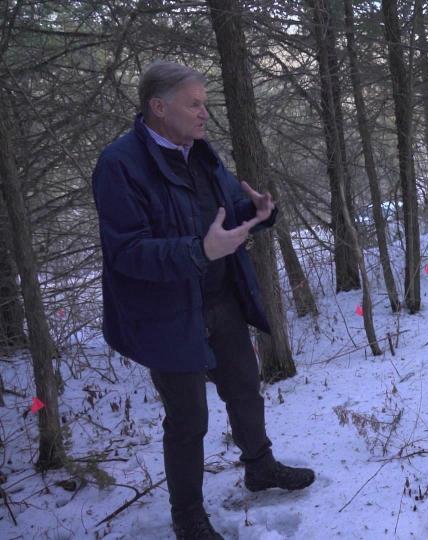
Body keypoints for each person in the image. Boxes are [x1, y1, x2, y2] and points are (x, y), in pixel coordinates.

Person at [92, 61, 315, 540]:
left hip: (220, 297)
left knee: (244, 389)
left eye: (206, 104)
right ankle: (188, 516)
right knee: (189, 417)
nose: (204, 114)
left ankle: (259, 468)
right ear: (158, 107)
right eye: (195, 104)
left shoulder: (201, 154)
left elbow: (217, 216)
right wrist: (199, 251)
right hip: (167, 312)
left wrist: (255, 213)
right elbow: (126, 251)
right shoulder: (120, 165)